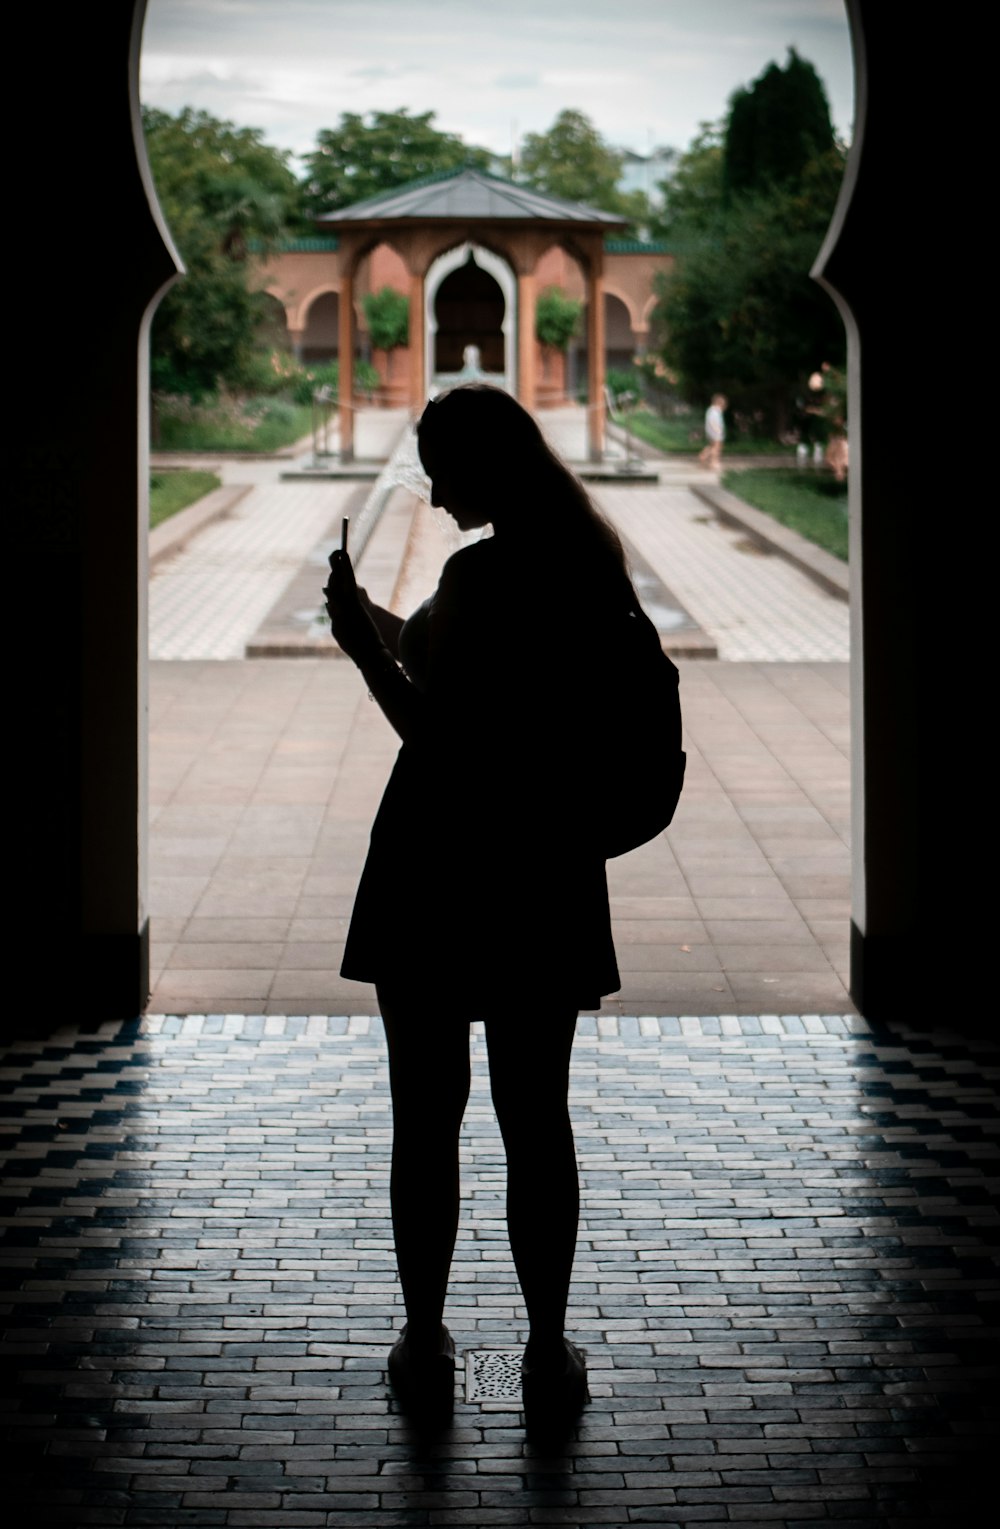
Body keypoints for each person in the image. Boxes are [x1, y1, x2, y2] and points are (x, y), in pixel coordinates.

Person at [323, 384, 640, 1436]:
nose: (429, 484)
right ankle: (546, 1347)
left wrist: (364, 648)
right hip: (542, 870)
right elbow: (450, 663)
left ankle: (426, 1338)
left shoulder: (482, 571)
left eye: (437, 462)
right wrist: (371, 619)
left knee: (429, 1118)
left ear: (480, 466)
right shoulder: (584, 564)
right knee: (534, 1120)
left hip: (437, 870)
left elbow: (438, 725)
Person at [698, 393, 727, 471]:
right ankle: (713, 463)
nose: (723, 406)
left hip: (711, 432)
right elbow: (712, 421)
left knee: (712, 446)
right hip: (715, 432)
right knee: (716, 448)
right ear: (718, 403)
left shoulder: (711, 410)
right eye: (723, 403)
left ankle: (703, 455)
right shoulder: (715, 410)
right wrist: (717, 429)